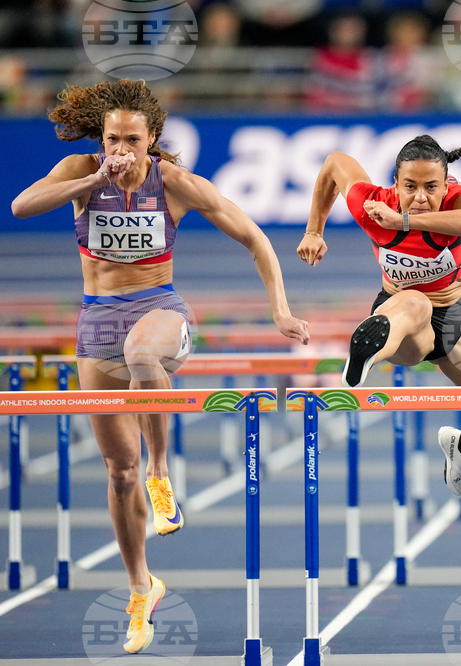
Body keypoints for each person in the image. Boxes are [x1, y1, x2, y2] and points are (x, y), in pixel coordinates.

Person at [11, 79, 309, 653]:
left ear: (152, 140)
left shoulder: (172, 183)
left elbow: (255, 238)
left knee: (143, 355)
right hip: (96, 320)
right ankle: (141, 586)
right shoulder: (83, 168)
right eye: (111, 139)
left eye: (130, 140)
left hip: (160, 311)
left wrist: (280, 309)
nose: (119, 150)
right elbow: (21, 206)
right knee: (115, 473)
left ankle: (163, 469)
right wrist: (93, 178)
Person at [297, 134, 461, 497]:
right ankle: (369, 351)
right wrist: (313, 231)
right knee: (416, 304)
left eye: (431, 187)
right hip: (403, 318)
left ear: (446, 185)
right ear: (394, 185)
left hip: (458, 319)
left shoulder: (460, 202)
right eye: (410, 187)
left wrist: (403, 222)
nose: (420, 197)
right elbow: (335, 163)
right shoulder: (371, 203)